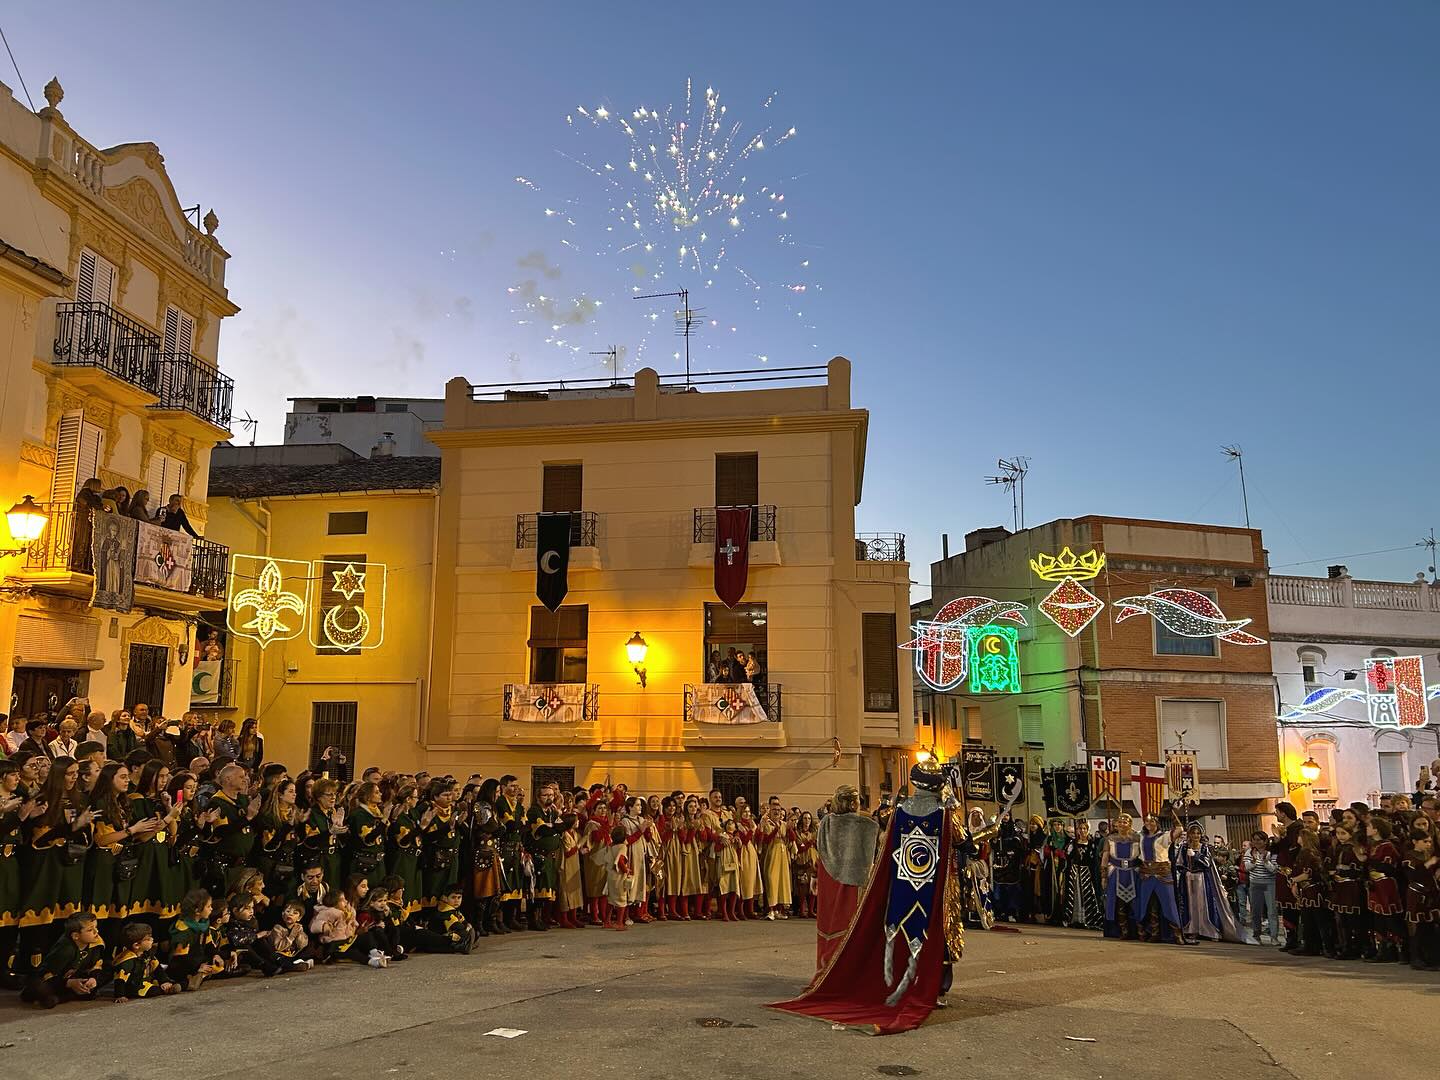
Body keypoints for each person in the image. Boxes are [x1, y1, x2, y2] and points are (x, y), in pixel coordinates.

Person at [814, 783, 878, 970]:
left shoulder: (826, 822)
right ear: (852, 804)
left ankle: (826, 968)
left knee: (829, 923)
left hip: (828, 880)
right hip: (852, 883)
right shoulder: (864, 825)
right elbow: (871, 857)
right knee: (849, 924)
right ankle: (848, 971)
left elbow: (820, 852)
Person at [20, 912, 108, 1008]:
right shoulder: (65, 950)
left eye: (96, 927)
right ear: (75, 936)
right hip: (56, 980)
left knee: (110, 970)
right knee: (39, 986)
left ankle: (60, 998)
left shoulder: (96, 943)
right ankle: (52, 997)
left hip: (75, 976)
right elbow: (47, 974)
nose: (97, 932)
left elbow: (96, 965)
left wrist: (93, 979)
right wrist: (69, 983)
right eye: (90, 930)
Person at [1174, 823, 1242, 944]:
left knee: (1203, 904)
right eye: (1193, 833)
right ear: (1189, 834)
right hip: (1188, 879)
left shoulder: (1205, 848)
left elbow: (1207, 863)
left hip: (1201, 879)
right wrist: (1186, 870)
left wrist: (1196, 855)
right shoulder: (1184, 847)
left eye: (1198, 833)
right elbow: (1178, 864)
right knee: (1191, 905)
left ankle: (1209, 930)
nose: (1195, 835)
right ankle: (1192, 928)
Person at [1136, 815, 1181, 944]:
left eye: (1152, 820)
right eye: (1146, 821)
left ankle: (1177, 934)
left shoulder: (1164, 836)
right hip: (1146, 874)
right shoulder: (1140, 836)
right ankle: (1154, 933)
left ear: (1157, 822)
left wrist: (1173, 813)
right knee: (1150, 905)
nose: (1149, 823)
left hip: (1162, 874)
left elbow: (1179, 829)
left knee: (1169, 904)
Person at [1364, 816, 1404, 963]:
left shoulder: (1387, 846)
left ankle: (1399, 950)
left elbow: (1389, 867)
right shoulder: (1373, 845)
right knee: (1378, 918)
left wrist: (1369, 861)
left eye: (1369, 826)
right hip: (1375, 885)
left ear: (1376, 829)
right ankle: (1383, 950)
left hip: (1386, 885)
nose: (1367, 828)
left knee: (1390, 917)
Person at [110, 922, 180, 1001]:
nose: (152, 940)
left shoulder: (147, 953)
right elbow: (120, 979)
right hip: (135, 986)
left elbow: (157, 969)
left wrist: (164, 981)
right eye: (148, 939)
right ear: (137, 945)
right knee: (153, 991)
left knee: (169, 980)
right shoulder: (128, 960)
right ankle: (166, 989)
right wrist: (120, 995)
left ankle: (167, 985)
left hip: (145, 981)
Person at [1100, 813, 1141, 939]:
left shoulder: (1137, 838)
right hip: (1115, 872)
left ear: (1130, 824)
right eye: (1120, 822)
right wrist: (1104, 876)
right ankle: (1122, 930)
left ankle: (1137, 931)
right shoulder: (1110, 839)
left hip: (1134, 872)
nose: (1122, 824)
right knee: (1118, 902)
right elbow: (1105, 857)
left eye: (1125, 822)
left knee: (1136, 902)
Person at [1063, 819, 1103, 930]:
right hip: (1075, 871)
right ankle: (1075, 919)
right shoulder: (1073, 843)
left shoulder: (1092, 843)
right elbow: (1067, 855)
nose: (1082, 831)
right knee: (1074, 894)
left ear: (1088, 830)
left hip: (1087, 872)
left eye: (1084, 828)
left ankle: (1088, 919)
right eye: (1080, 828)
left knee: (1088, 895)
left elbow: (1094, 859)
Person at [759, 796, 793, 919]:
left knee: (781, 881)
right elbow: (766, 840)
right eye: (774, 809)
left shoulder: (783, 823)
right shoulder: (766, 823)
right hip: (772, 854)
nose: (777, 812)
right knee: (771, 880)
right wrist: (776, 830)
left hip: (782, 854)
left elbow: (791, 839)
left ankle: (779, 909)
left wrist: (790, 829)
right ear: (770, 810)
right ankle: (770, 909)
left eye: (778, 809)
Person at [1243, 833, 1278, 945]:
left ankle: (1274, 937)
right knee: (1255, 911)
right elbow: (1247, 868)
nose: (1257, 842)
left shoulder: (1272, 852)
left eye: (1259, 840)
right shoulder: (1249, 852)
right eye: (1254, 840)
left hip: (1269, 883)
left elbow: (1274, 869)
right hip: (1255, 883)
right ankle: (1256, 935)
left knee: (1272, 911)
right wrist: (1253, 861)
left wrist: (1265, 861)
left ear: (1265, 841)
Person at [69, 478, 105, 573]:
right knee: (82, 541)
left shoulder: (93, 496)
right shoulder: (85, 494)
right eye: (99, 485)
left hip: (87, 521)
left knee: (86, 542)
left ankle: (82, 564)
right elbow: (86, 503)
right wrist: (99, 508)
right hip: (83, 520)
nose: (100, 488)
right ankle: (77, 564)